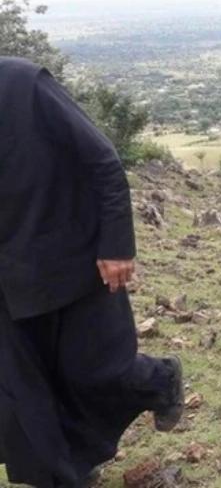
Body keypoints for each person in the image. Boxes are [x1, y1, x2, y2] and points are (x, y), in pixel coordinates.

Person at [0, 57, 185, 488]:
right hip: (6, 283)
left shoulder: (23, 84)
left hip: (73, 261)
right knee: (21, 395)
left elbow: (101, 160)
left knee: (96, 371)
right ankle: (66, 475)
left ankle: (160, 379)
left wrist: (117, 245)